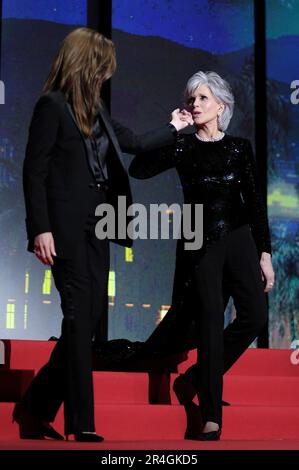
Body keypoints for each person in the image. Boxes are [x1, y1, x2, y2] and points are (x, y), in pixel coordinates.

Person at [14, 27, 189, 442]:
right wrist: (40, 228)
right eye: (103, 68)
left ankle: (35, 408)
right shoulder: (51, 107)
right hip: (64, 230)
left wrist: (175, 126)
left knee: (88, 320)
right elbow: (33, 171)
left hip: (100, 226)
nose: (106, 76)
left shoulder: (97, 111)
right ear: (87, 64)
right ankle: (82, 422)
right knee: (78, 316)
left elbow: (135, 143)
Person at [129, 71, 275, 441]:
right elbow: (139, 169)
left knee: (255, 315)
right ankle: (210, 416)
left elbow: (255, 203)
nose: (195, 104)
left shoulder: (240, 148)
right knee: (210, 321)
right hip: (200, 239)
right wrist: (172, 129)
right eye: (191, 99)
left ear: (221, 106)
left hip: (240, 239)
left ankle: (195, 379)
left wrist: (265, 253)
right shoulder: (184, 146)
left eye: (203, 99)